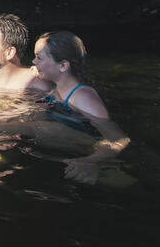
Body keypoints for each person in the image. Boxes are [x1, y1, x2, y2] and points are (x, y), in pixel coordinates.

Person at [32, 30, 131, 184]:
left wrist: (90, 161)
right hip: (65, 150)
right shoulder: (55, 90)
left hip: (85, 154)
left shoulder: (83, 98)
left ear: (63, 65)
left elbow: (119, 138)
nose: (33, 62)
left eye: (39, 57)